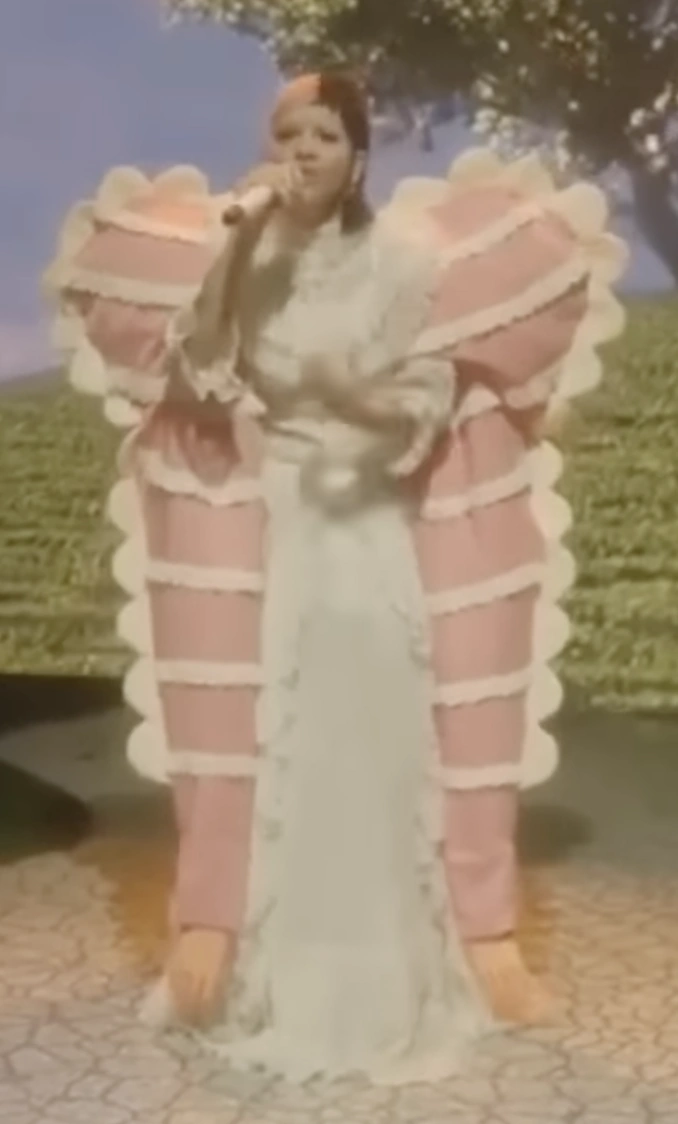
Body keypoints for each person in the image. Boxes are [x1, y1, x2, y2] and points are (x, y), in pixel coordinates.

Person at [44, 71, 626, 1084]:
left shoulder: (398, 260)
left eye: (323, 134)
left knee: (372, 742)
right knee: (282, 740)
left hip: (364, 523)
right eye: (287, 134)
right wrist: (238, 240)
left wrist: (349, 400)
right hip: (278, 524)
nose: (303, 150)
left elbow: (422, 398)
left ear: (357, 156)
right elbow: (205, 356)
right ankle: (261, 955)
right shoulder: (249, 253)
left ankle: (414, 962)